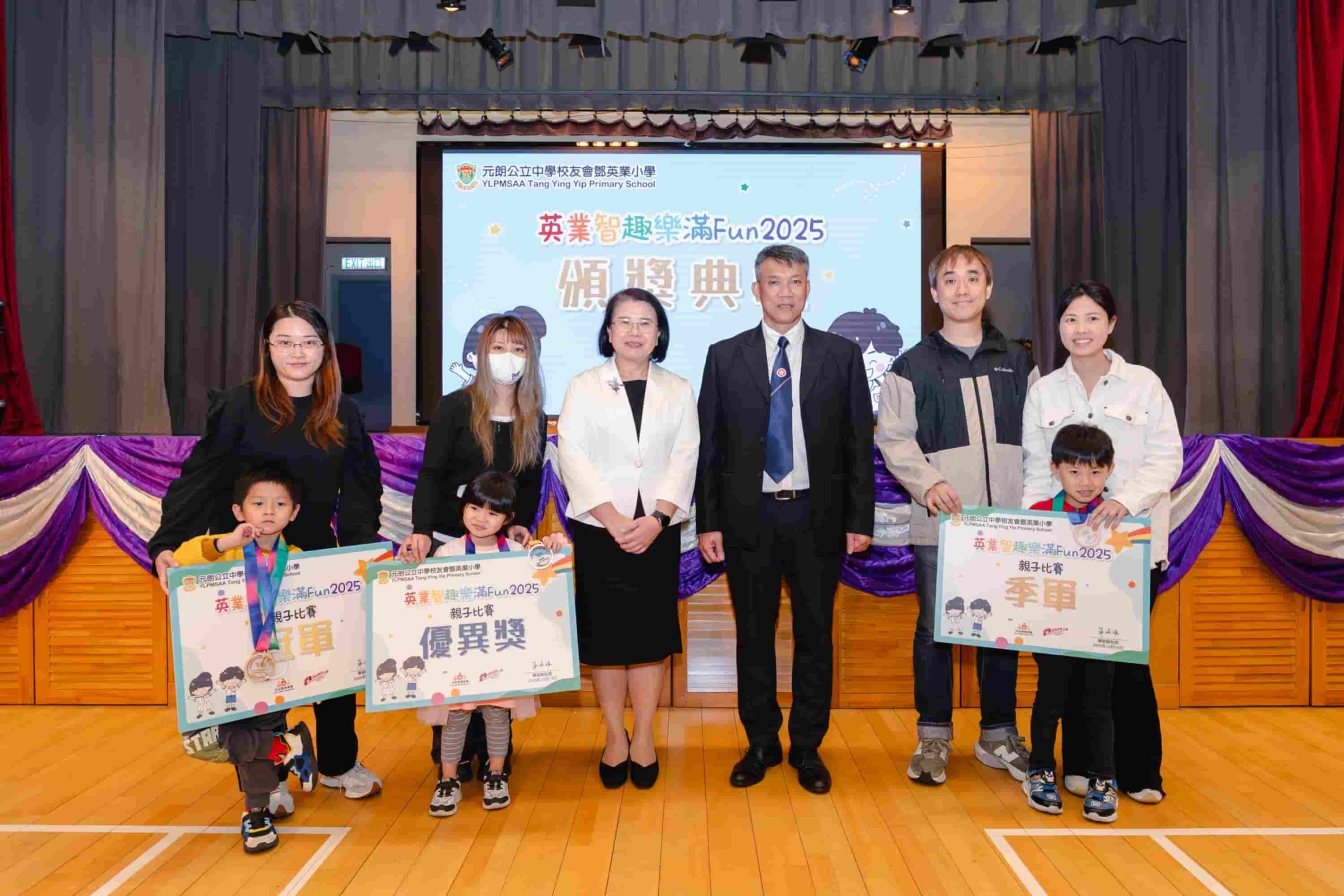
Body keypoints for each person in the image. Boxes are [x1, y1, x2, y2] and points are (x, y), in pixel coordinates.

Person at [148, 301, 385, 816]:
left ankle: (338, 763)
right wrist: (167, 543)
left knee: (332, 664)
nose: (297, 352)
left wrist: (362, 553)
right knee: (258, 669)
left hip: (315, 559)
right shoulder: (238, 405)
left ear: (325, 350)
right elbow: (201, 478)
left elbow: (361, 491)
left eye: (308, 342)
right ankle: (267, 775)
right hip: (247, 561)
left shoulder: (342, 411)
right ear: (267, 349)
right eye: (285, 341)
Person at [696, 245, 874, 795]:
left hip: (817, 515)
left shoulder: (842, 355)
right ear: (757, 290)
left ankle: (807, 746)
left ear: (808, 288)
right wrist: (709, 522)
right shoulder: (724, 356)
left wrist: (859, 518)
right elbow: (710, 448)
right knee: (754, 635)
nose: (786, 292)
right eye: (774, 281)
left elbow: (857, 444)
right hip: (747, 518)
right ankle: (760, 743)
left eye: (796, 281)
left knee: (815, 636)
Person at [876, 244, 1038, 787]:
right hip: (942, 522)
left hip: (1009, 523)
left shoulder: (1019, 360)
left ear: (988, 289)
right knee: (935, 631)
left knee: (1003, 631)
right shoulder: (912, 365)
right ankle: (933, 736)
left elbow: (1040, 437)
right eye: (949, 279)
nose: (961, 288)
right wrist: (930, 483)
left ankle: (998, 735)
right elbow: (894, 439)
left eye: (972, 278)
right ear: (934, 293)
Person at [1021, 280, 1183, 805]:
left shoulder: (1144, 384)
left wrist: (1125, 502)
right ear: (1058, 327)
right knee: (1070, 665)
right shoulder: (1044, 390)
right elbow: (1036, 471)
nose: (1081, 329)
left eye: (1092, 318)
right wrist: (1040, 535)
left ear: (1111, 324)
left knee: (1123, 663)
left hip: (1130, 550)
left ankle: (1139, 772)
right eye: (1071, 319)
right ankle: (1083, 767)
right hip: (1066, 555)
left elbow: (1167, 458)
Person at [398, 313, 550, 783]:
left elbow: (528, 483)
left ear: (530, 357)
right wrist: (423, 529)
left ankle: (494, 748)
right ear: (482, 354)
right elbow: (430, 474)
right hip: (451, 544)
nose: (508, 358)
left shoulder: (534, 414)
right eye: (499, 347)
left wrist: (521, 525)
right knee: (454, 651)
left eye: (518, 349)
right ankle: (452, 749)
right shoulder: (454, 406)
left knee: (496, 647)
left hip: (501, 556)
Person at [557, 287, 699, 790]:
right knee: (607, 641)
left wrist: (657, 518)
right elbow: (571, 455)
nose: (635, 331)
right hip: (601, 531)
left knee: (648, 640)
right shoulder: (583, 387)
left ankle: (643, 737)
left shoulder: (678, 388)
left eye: (646, 322)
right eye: (625, 321)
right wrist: (614, 519)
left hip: (656, 532)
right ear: (609, 332)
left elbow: (685, 457)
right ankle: (615, 736)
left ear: (659, 334)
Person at [171, 466, 318, 854]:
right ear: (239, 511)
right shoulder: (226, 553)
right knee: (202, 742)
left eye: (280, 504)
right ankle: (285, 746)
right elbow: (181, 562)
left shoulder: (300, 560)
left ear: (294, 512)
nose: (269, 511)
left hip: (275, 672)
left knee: (256, 729)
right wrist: (226, 542)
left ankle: (256, 814)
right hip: (225, 671)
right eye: (258, 503)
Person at [415, 471, 568, 818]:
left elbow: (545, 581)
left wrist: (556, 547)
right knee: (454, 720)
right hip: (458, 658)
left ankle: (496, 775)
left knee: (498, 718)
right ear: (462, 508)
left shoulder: (517, 553)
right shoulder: (447, 553)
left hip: (501, 656)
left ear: (508, 518)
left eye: (492, 512)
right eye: (474, 508)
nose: (481, 518)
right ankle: (448, 779)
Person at [1023, 424, 1123, 823]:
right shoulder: (1038, 516)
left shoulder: (1120, 520)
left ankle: (1103, 778)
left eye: (1096, 471)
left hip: (1101, 632)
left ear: (1110, 470)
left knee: (1099, 704)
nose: (1086, 481)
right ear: (1055, 469)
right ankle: (1040, 770)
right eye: (1075, 471)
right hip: (1052, 629)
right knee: (1051, 701)